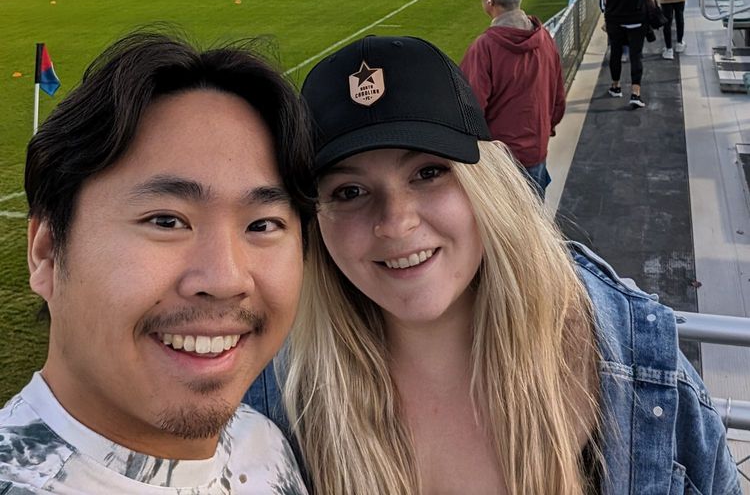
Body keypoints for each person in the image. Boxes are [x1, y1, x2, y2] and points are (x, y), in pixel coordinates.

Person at [246, 34, 740, 495]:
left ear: (488, 184)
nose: (395, 224)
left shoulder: (636, 367)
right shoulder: (277, 392)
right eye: (349, 191)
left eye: (429, 172)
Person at [0, 31, 314, 494]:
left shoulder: (261, 440)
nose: (226, 278)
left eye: (262, 225)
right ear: (46, 251)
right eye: (166, 221)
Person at [461, 0, 565, 197]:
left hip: (500, 162)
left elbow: (470, 109)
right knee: (533, 226)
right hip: (536, 152)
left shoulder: (485, 47)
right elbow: (558, 97)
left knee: (502, 231)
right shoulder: (544, 37)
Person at [597, 0, 650, 108]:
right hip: (636, 17)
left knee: (616, 53)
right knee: (636, 55)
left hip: (615, 18)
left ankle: (616, 86)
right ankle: (635, 92)